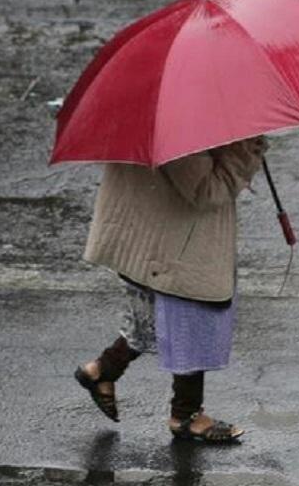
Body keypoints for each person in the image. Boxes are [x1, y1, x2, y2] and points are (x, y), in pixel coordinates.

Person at [74, 136, 268, 442]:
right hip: (174, 243)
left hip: (159, 235)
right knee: (189, 322)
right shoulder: (178, 135)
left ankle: (101, 370)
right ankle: (186, 417)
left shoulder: (170, 115)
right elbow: (207, 191)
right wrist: (246, 150)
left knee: (154, 321)